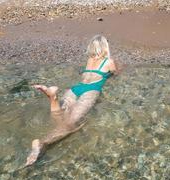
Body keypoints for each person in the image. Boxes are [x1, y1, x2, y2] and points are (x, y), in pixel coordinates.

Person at [25, 35, 117, 166]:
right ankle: (42, 142)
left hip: (75, 89)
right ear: (105, 47)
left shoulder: (89, 59)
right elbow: (114, 73)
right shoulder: (109, 61)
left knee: (60, 116)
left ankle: (53, 97)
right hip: (91, 90)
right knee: (71, 124)